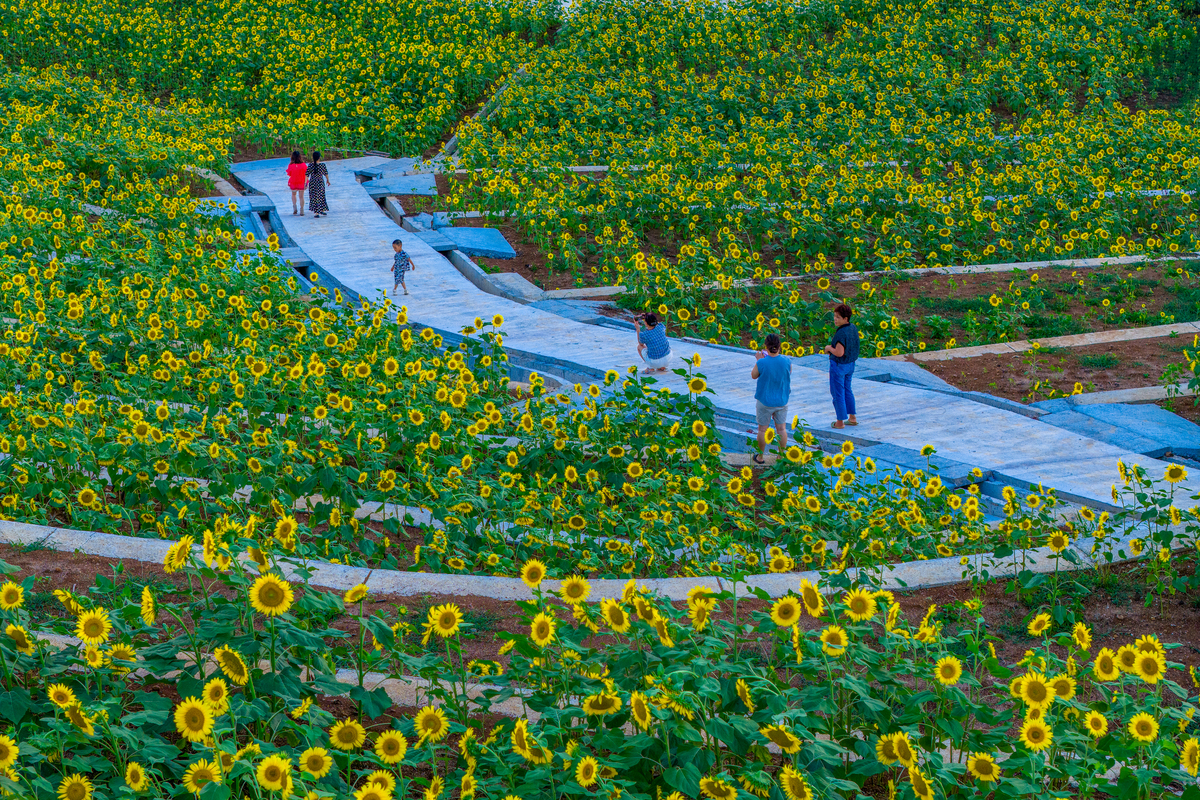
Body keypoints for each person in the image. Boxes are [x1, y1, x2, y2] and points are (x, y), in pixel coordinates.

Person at [751, 333, 791, 464]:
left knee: (762, 429)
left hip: (765, 401)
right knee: (781, 429)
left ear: (766, 347)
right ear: (779, 346)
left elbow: (754, 375)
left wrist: (759, 360)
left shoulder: (762, 362)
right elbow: (788, 373)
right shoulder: (787, 361)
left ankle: (760, 456)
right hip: (782, 400)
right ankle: (780, 456)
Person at [824, 303, 860, 429]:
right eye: (834, 316)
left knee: (838, 392)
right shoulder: (853, 328)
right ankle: (852, 417)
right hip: (850, 364)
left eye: (838, 317)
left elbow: (839, 352)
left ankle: (840, 422)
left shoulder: (841, 333)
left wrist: (829, 348)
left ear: (846, 319)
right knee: (847, 390)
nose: (835, 319)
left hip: (839, 365)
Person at [306, 151, 330, 218]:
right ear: (319, 157)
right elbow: (326, 173)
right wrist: (328, 180)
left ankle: (316, 212)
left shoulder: (310, 165)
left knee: (314, 196)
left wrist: (306, 183)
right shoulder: (322, 165)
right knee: (321, 195)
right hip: (320, 182)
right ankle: (321, 209)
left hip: (313, 182)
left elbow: (307, 174)